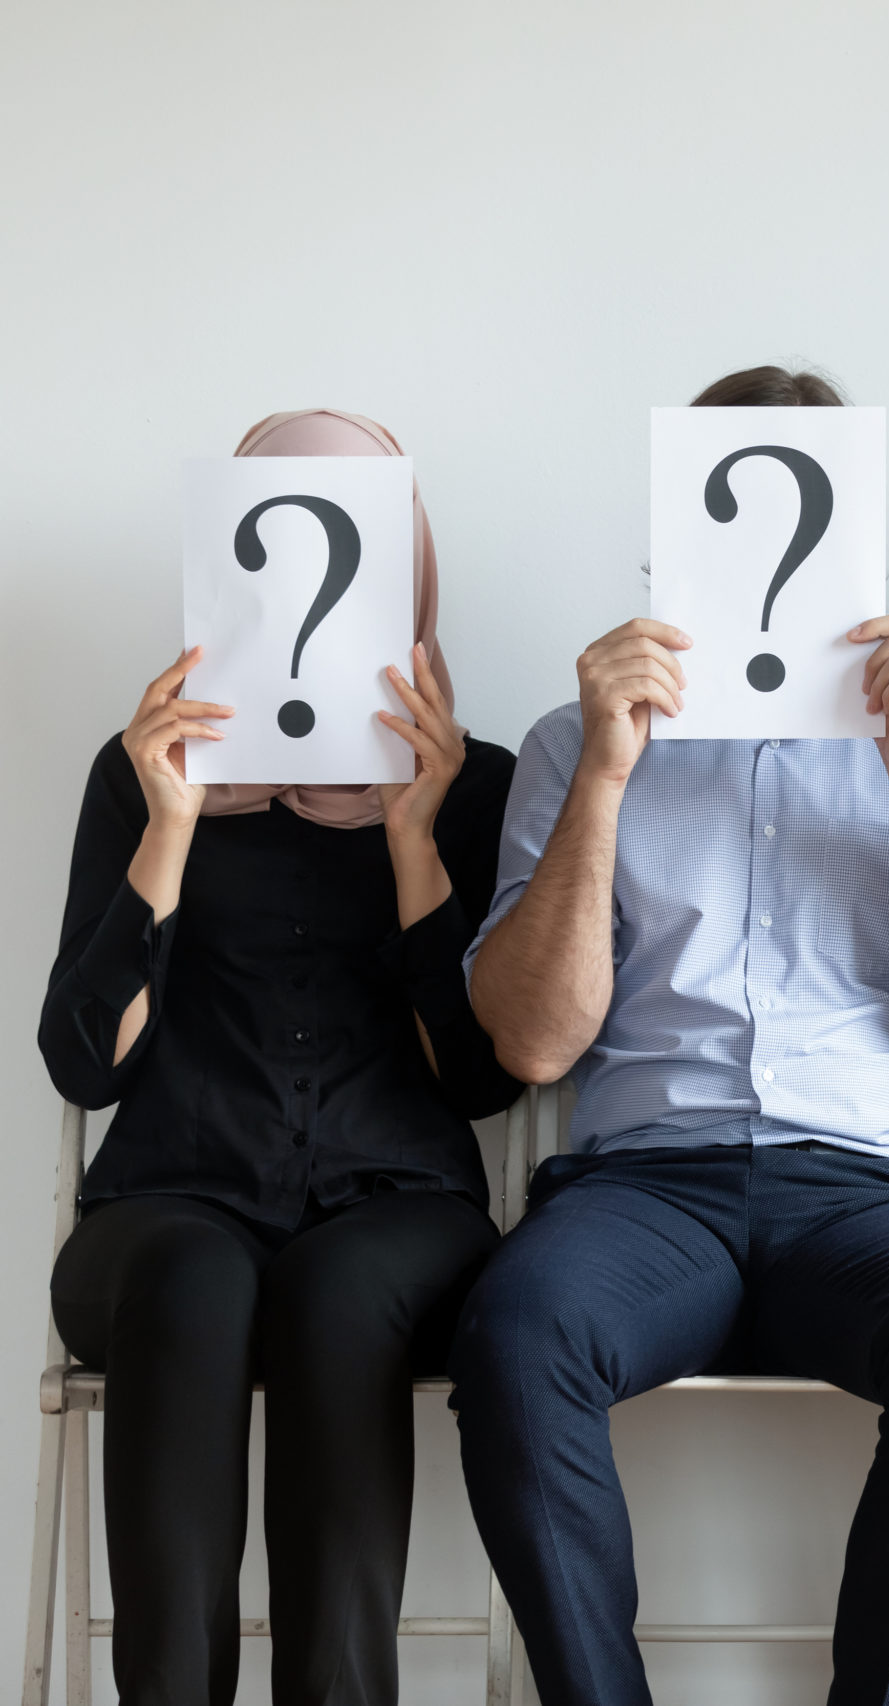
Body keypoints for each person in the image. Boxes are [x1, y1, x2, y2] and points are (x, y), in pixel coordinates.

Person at [448, 365, 889, 1706]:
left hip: (878, 1192)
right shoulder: (571, 741)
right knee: (513, 1331)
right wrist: (609, 769)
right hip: (644, 1188)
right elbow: (535, 1044)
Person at [39, 408, 517, 1706]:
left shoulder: (478, 785)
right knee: (197, 1278)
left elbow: (483, 1078)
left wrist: (414, 833)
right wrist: (173, 826)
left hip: (395, 1210)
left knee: (337, 1289)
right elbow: (85, 1061)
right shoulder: (140, 774)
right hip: (167, 1207)